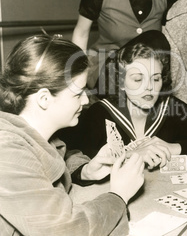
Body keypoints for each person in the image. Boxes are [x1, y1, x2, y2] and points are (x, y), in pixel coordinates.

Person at [0, 35, 144, 236]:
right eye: (78, 94)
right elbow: (65, 230)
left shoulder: (37, 135)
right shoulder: (7, 151)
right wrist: (118, 196)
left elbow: (50, 165)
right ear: (44, 98)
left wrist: (85, 171)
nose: (86, 100)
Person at [73, 30, 187, 167]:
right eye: (138, 79)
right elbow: (76, 156)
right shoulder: (100, 113)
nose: (149, 87)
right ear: (121, 81)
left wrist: (172, 148)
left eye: (155, 79)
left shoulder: (171, 108)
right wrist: (132, 154)